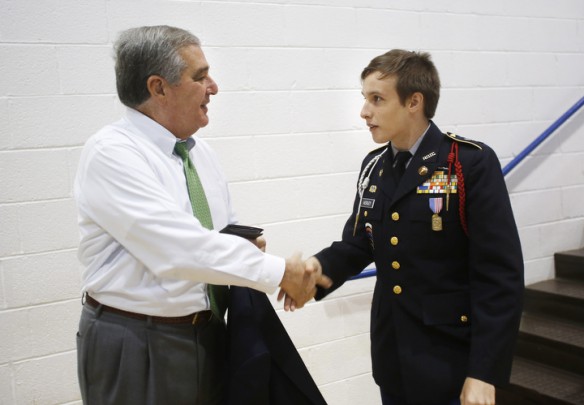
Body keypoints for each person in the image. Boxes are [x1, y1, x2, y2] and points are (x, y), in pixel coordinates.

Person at [74, 25, 328, 405]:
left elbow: (214, 235)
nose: (214, 87)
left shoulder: (198, 154)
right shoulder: (112, 154)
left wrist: (246, 248)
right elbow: (179, 249)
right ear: (158, 87)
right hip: (136, 341)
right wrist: (280, 273)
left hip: (206, 334)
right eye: (200, 76)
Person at [299, 50, 525, 405]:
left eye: (377, 99)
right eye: (365, 99)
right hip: (393, 357)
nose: (364, 111)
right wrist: (318, 268)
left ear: (413, 102)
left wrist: (484, 372)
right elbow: (360, 243)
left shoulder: (466, 163)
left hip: (451, 360)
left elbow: (500, 277)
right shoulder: (374, 167)